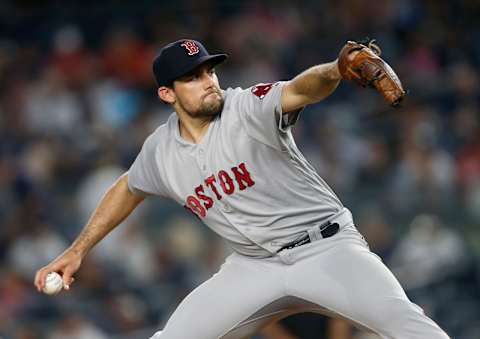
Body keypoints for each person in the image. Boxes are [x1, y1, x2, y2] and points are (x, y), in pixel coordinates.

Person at [35, 39, 450, 339]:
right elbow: (127, 188)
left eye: (208, 71)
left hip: (327, 248)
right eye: (192, 78)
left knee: (408, 326)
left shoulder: (246, 106)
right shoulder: (160, 150)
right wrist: (77, 250)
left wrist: (335, 69)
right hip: (254, 267)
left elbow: (302, 88)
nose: (208, 81)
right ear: (167, 94)